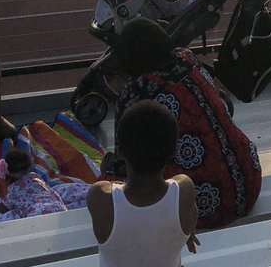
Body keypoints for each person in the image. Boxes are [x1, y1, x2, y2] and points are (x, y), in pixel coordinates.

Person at [112, 18, 262, 230]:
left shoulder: (138, 91)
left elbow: (124, 161)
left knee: (117, 173)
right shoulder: (188, 58)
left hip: (206, 205)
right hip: (250, 180)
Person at [61, 100, 198, 267]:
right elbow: (189, 208)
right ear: (173, 152)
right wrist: (189, 231)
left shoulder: (101, 197)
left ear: (119, 153)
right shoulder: (184, 189)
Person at [0, 147, 71, 225]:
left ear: (6, 177)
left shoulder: (13, 192)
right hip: (57, 207)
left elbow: (2, 209)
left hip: (38, 213)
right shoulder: (35, 177)